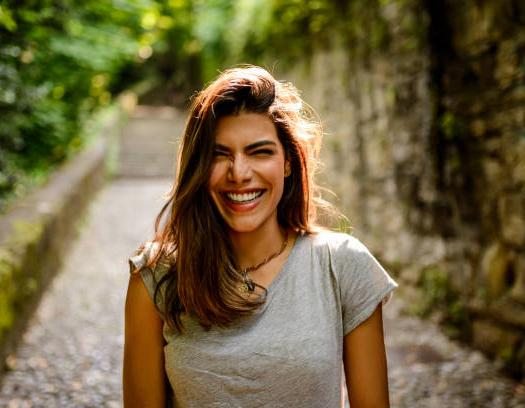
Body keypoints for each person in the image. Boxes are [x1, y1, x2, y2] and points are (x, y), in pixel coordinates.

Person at [123, 66, 398, 408]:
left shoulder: (343, 266)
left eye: (259, 152)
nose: (239, 173)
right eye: (219, 155)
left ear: (287, 162)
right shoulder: (156, 278)